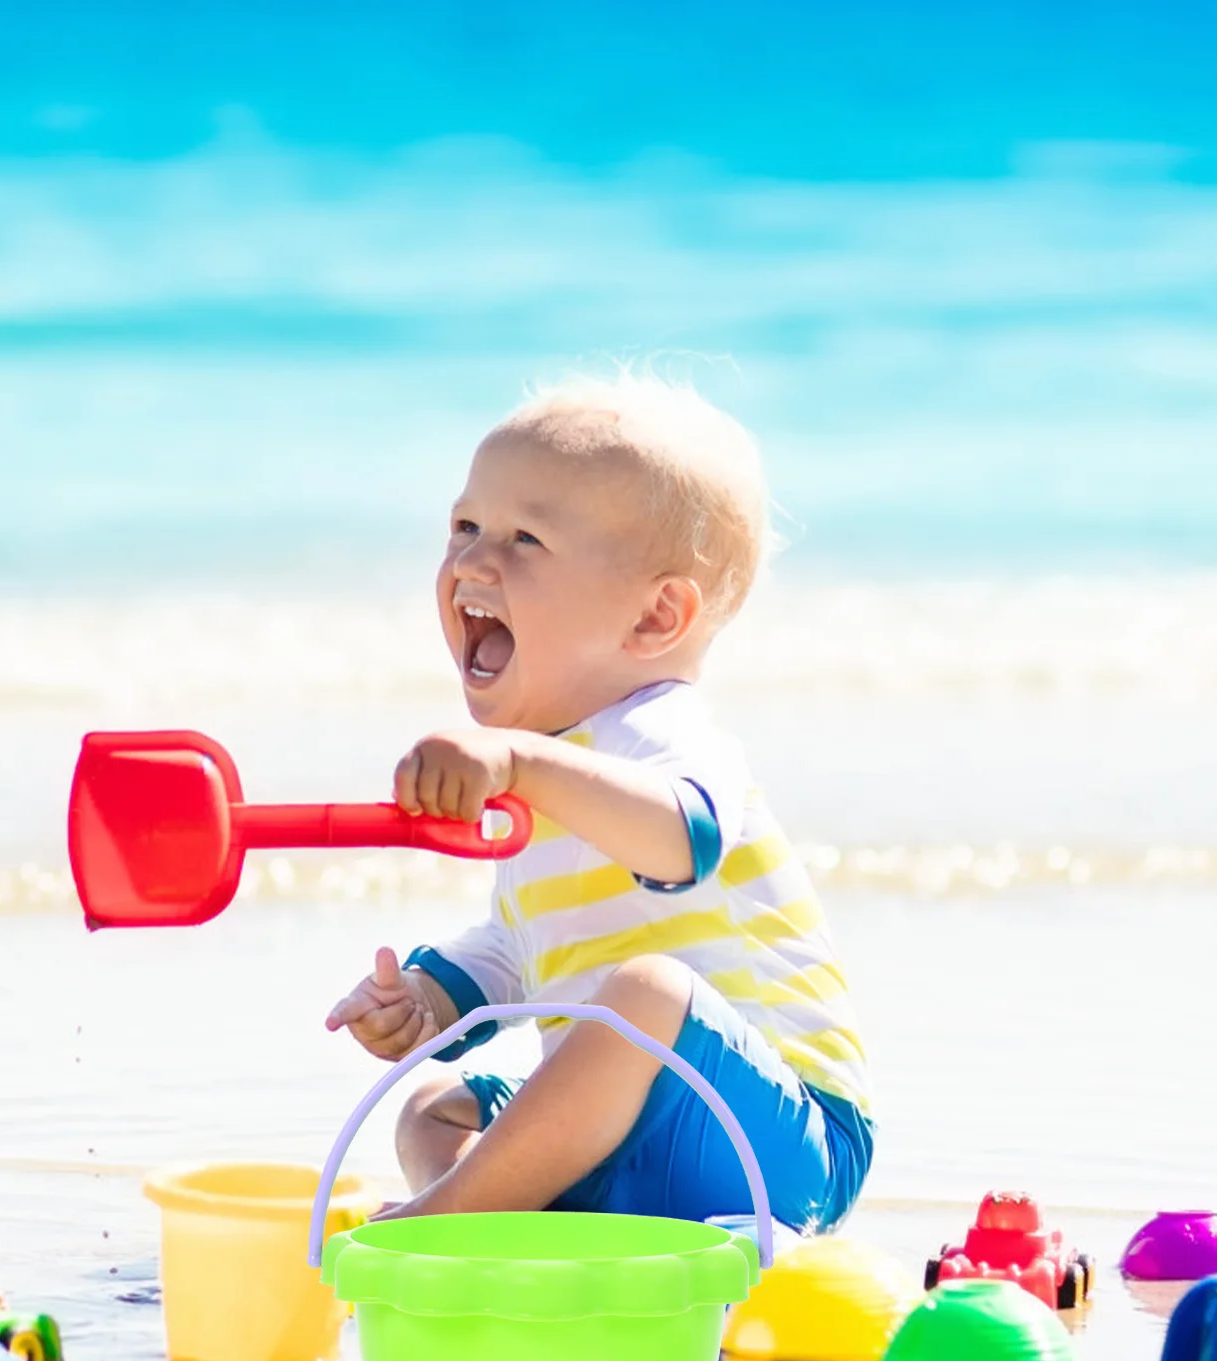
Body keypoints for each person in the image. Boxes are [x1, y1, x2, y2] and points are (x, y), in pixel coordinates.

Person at [324, 373, 873, 1232]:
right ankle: (508, 1222)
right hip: (636, 1145)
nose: (471, 561)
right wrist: (429, 1002)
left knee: (649, 990)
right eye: (465, 527)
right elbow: (521, 942)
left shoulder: (660, 730)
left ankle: (448, 1223)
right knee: (434, 1104)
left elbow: (680, 839)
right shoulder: (550, 776)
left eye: (525, 539)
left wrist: (520, 762)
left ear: (655, 619)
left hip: (782, 1140)